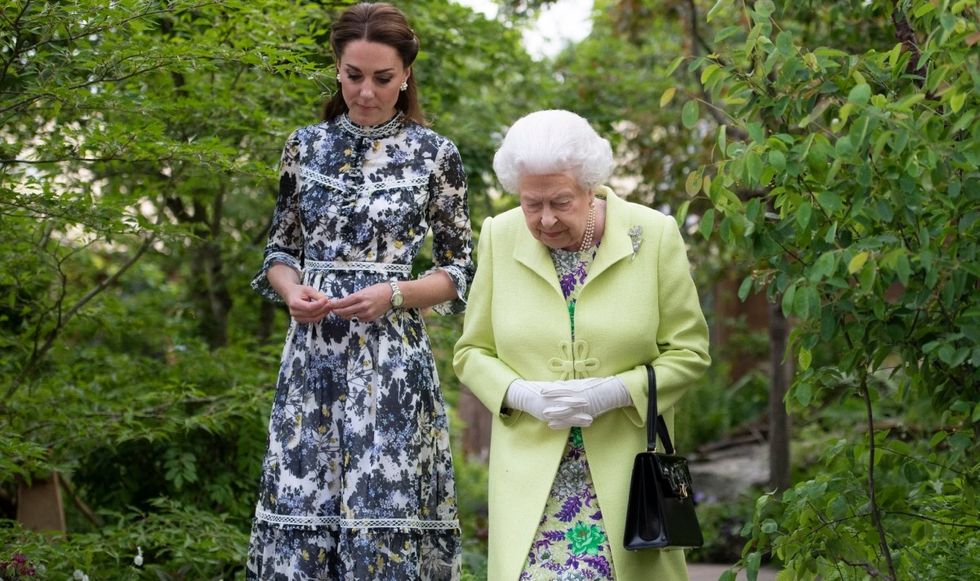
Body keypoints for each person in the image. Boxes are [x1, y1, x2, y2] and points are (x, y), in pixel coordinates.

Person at [246, 3, 473, 579]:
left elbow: (460, 270)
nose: (366, 92)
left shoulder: (436, 155)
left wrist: (393, 294)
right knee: (303, 511)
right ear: (337, 67)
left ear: (406, 76)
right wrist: (292, 290)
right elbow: (279, 252)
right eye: (353, 76)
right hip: (311, 362)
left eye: (382, 78)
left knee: (384, 516)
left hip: (392, 364)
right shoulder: (303, 146)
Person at [453, 110, 710, 580]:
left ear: (590, 186)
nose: (546, 219)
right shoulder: (499, 234)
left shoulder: (651, 235)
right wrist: (520, 395)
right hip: (531, 483)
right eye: (532, 204)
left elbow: (690, 352)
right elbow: (471, 353)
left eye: (560, 201)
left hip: (629, 482)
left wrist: (614, 391)